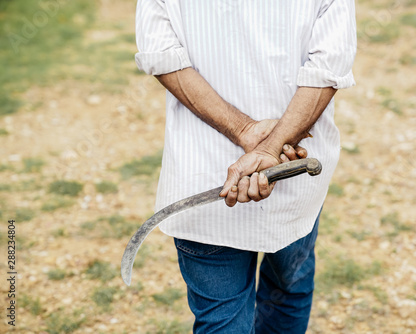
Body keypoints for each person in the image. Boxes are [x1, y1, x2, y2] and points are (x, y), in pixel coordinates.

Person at [134, 0, 356, 332]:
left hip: (210, 169)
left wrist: (248, 132)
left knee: (224, 315)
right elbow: (328, 65)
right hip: (292, 161)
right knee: (286, 294)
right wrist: (269, 141)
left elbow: (160, 53)